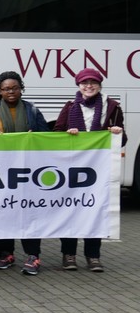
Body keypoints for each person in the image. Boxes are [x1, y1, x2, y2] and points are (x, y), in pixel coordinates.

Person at [54, 68, 126, 273]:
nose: (89, 86)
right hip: (72, 170)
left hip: (98, 171)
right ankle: (68, 255)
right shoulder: (70, 107)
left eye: (93, 82)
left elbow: (122, 141)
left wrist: (117, 133)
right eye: (84, 83)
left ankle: (93, 256)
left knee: (95, 211)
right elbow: (56, 134)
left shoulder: (111, 107)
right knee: (71, 210)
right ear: (78, 86)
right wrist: (68, 134)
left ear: (100, 85)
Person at [0, 71, 48, 275]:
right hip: (2, 171)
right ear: (0, 91)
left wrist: (35, 136)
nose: (10, 92)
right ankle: (6, 253)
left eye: (14, 88)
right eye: (5, 89)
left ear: (21, 88)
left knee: (28, 212)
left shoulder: (32, 109)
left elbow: (46, 135)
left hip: (29, 171)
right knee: (4, 211)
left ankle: (33, 255)